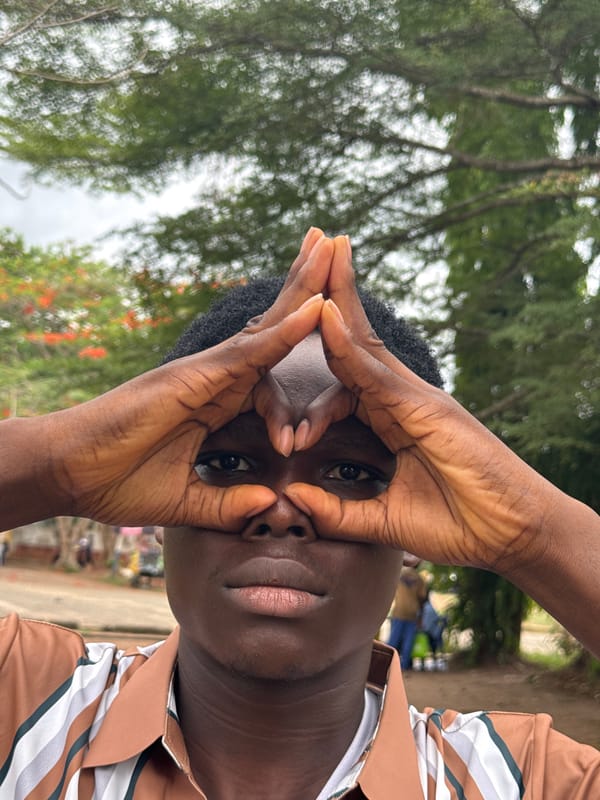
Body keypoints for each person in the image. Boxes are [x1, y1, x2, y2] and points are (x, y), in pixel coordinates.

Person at [1, 229, 599, 798]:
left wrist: (530, 534)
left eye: (351, 473)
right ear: (156, 510)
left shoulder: (525, 782)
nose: (282, 513)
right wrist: (61, 465)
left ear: (417, 536)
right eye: (228, 462)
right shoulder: (23, 699)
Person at [387, 560, 427, 669]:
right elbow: (422, 599)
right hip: (412, 614)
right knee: (408, 642)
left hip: (398, 611)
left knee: (393, 640)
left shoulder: (398, 574)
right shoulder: (419, 579)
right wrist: (421, 617)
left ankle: (386, 665)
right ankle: (403, 667)